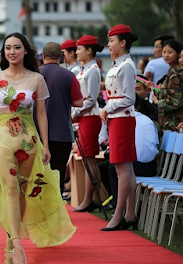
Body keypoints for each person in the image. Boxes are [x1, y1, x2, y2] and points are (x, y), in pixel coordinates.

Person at [0, 33, 76, 264]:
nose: (12, 51)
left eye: (17, 47)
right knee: (9, 186)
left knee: (22, 189)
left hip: (28, 139)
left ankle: (10, 235)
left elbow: (42, 115)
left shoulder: (36, 78)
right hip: (1, 136)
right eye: (8, 48)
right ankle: (17, 244)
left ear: (25, 51)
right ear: (3, 52)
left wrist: (46, 145)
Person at [99, 24, 138, 231]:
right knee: (127, 169)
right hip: (118, 118)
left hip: (122, 118)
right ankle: (129, 214)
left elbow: (129, 98)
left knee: (122, 169)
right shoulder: (118, 65)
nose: (109, 44)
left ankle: (118, 215)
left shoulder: (127, 66)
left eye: (112, 40)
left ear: (123, 43)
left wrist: (108, 106)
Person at [36, 42, 83, 194]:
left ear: (43, 56)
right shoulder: (69, 75)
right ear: (61, 57)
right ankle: (56, 209)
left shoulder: (35, 74)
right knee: (58, 173)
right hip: (61, 132)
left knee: (37, 174)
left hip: (36, 131)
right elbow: (79, 102)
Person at [71, 35, 104, 212]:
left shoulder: (92, 70)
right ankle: (91, 198)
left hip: (89, 117)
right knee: (86, 159)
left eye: (79, 49)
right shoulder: (85, 70)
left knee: (89, 159)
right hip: (84, 117)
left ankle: (90, 199)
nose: (76, 52)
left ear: (89, 51)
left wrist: (75, 113)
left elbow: (91, 99)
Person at [151, 39, 183, 133]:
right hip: (168, 123)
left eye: (170, 52)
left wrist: (158, 102)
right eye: (164, 52)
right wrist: (156, 89)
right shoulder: (170, 72)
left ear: (177, 53)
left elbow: (175, 101)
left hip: (174, 123)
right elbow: (168, 92)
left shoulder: (175, 74)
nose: (166, 55)